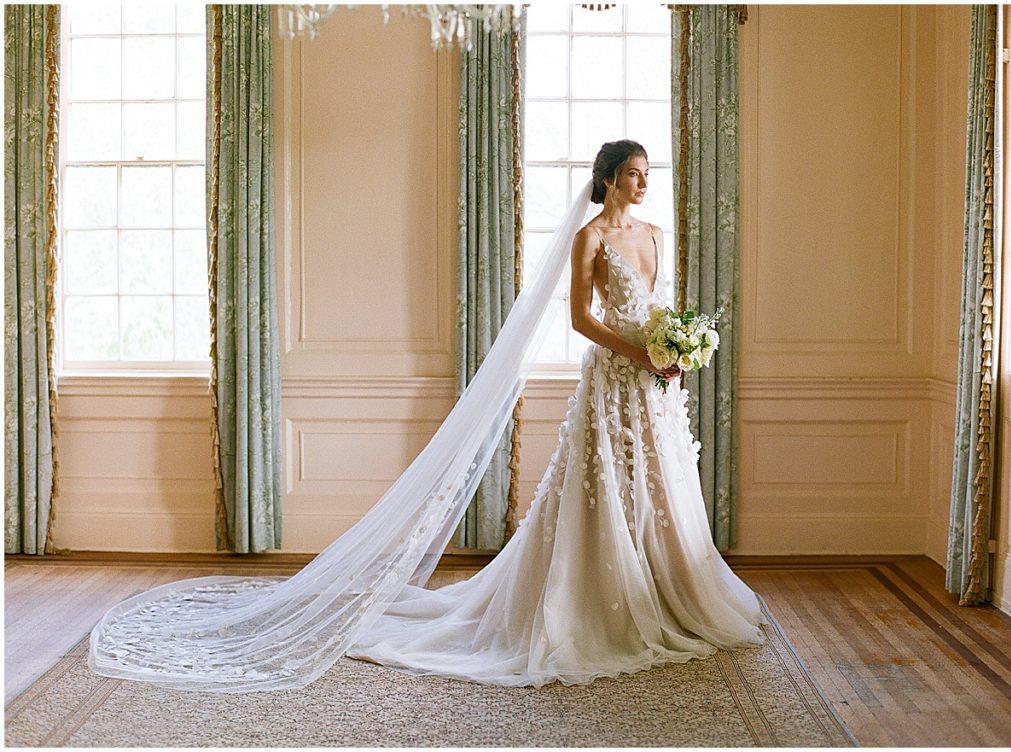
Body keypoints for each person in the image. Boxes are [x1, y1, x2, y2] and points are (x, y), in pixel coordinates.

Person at [89, 140, 765, 693]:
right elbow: (581, 319)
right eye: (632, 175)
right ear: (608, 180)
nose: (643, 185)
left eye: (648, 175)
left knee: (659, 483)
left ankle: (666, 591)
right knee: (604, 490)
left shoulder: (654, 233)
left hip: (655, 385)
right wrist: (642, 352)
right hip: (617, 377)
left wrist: (675, 344)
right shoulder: (591, 238)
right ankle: (591, 605)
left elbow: (660, 303)